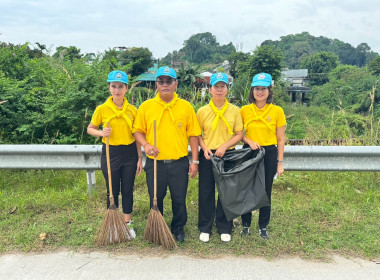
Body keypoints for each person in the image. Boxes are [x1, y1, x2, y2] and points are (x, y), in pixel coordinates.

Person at [133, 66, 201, 243]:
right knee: (156, 198)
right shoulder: (146, 107)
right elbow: (137, 131)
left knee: (179, 198)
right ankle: (158, 227)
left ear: (175, 84)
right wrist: (146, 145)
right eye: (161, 81)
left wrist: (194, 161)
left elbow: (193, 134)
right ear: (156, 84)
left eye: (169, 81)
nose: (165, 85)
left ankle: (178, 228)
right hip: (156, 163)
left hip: (179, 162)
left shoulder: (186, 107)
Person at [87, 70, 143, 238]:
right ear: (109, 88)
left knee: (127, 189)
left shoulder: (133, 110)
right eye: (114, 86)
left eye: (121, 86)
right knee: (112, 189)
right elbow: (90, 128)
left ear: (127, 88)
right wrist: (102, 133)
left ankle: (127, 224)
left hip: (130, 152)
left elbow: (137, 135)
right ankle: (112, 225)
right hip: (110, 152)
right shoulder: (102, 109)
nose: (117, 90)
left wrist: (140, 157)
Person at [197, 72, 243, 243]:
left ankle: (225, 227)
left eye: (222, 86)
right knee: (206, 191)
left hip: (228, 154)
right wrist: (204, 147)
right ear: (210, 90)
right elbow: (196, 134)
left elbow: (239, 134)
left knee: (226, 192)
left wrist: (224, 146)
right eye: (216, 86)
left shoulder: (234, 110)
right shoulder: (202, 111)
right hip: (208, 154)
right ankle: (205, 227)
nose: (219, 89)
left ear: (227, 89)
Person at [240, 72, 286, 239]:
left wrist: (279, 162)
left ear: (269, 90)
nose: (260, 92)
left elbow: (281, 139)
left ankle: (263, 226)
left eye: (263, 89)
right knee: (247, 189)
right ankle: (245, 224)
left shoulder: (277, 111)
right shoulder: (245, 110)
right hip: (249, 151)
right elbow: (237, 133)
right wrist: (248, 140)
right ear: (252, 90)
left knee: (266, 190)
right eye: (257, 89)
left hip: (269, 153)